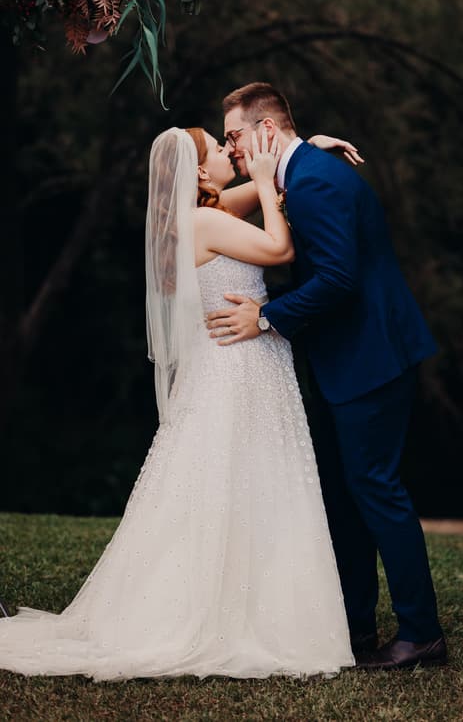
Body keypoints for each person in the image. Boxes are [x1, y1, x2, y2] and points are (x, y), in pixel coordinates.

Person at [0, 125, 357, 681]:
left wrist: (301, 151)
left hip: (231, 369)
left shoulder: (190, 217)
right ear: (195, 172)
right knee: (242, 484)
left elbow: (255, 192)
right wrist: (266, 180)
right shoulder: (206, 222)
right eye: (217, 148)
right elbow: (280, 248)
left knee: (227, 487)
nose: (226, 152)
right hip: (236, 370)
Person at [207, 82, 447, 671]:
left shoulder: (313, 180)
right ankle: (356, 626)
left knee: (376, 492)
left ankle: (421, 632)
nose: (231, 149)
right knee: (345, 497)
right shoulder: (306, 170)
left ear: (265, 130)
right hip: (351, 360)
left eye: (234, 136)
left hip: (372, 360)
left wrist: (264, 316)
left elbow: (337, 279)